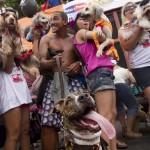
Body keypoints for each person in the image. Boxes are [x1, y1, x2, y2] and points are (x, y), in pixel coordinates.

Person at [39, 11, 86, 150]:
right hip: (54, 83)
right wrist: (51, 62)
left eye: (55, 19)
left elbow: (84, 59)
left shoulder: (74, 38)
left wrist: (79, 64)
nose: (51, 22)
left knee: (81, 117)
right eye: (50, 20)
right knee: (48, 122)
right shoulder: (46, 39)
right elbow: (41, 63)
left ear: (65, 21)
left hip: (74, 81)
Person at [73, 12, 117, 150]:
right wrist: (96, 28)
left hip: (105, 73)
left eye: (87, 18)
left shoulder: (98, 29)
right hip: (99, 73)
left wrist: (101, 28)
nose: (85, 20)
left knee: (112, 114)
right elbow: (99, 36)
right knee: (105, 117)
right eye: (81, 19)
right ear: (76, 23)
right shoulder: (81, 33)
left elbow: (108, 40)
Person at [0, 8, 31, 150]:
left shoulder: (17, 38)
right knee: (13, 133)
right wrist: (10, 46)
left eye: (14, 16)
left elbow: (22, 62)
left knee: (25, 132)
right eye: (7, 16)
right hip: (7, 87)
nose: (12, 18)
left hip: (20, 84)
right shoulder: (1, 39)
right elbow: (6, 68)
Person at [118, 2, 150, 126]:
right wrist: (140, 26)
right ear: (124, 14)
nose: (131, 9)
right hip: (141, 66)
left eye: (133, 7)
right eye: (127, 9)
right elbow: (127, 46)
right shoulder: (124, 29)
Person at [113, 63, 142, 138]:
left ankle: (124, 130)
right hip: (120, 84)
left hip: (111, 86)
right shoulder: (126, 70)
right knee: (133, 105)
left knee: (119, 107)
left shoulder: (112, 70)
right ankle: (129, 131)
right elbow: (134, 81)